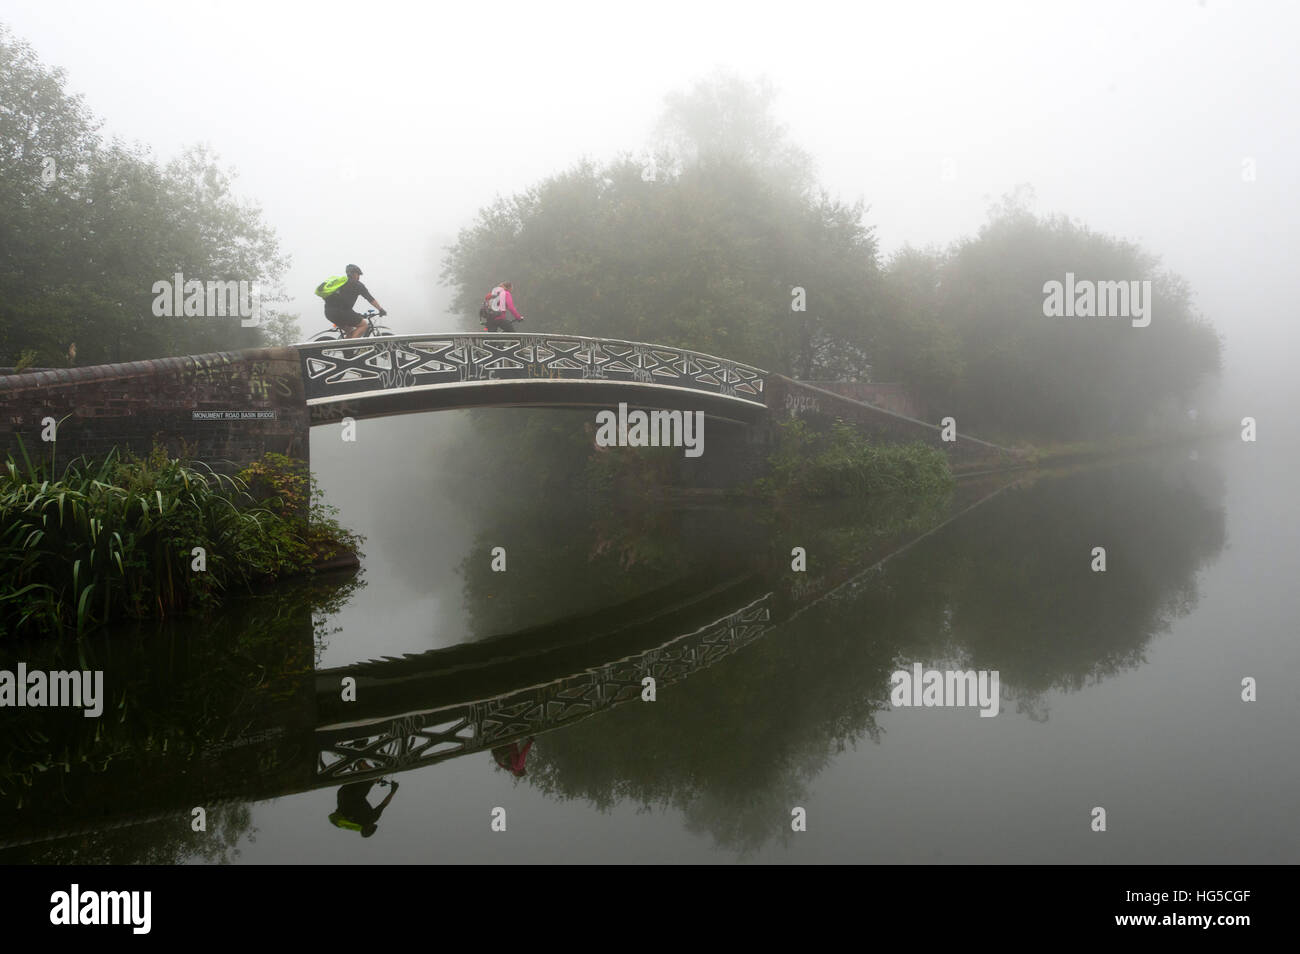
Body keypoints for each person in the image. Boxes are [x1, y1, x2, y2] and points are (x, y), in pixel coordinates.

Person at [326, 264, 387, 339]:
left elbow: (341, 301)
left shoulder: (339, 283)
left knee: (350, 330)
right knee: (364, 325)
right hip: (342, 312)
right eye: (358, 274)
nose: (359, 277)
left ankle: (346, 349)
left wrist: (354, 314)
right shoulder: (358, 285)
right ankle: (352, 346)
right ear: (354, 273)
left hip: (329, 312)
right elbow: (370, 298)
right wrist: (380, 309)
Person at [328, 777, 399, 837]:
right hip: (343, 793)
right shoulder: (353, 824)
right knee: (365, 778)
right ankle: (361, 765)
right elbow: (383, 805)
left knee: (371, 778)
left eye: (372, 827)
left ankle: (368, 769)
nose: (373, 825)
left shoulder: (371, 818)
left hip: (352, 795)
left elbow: (384, 804)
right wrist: (392, 791)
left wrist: (393, 791)